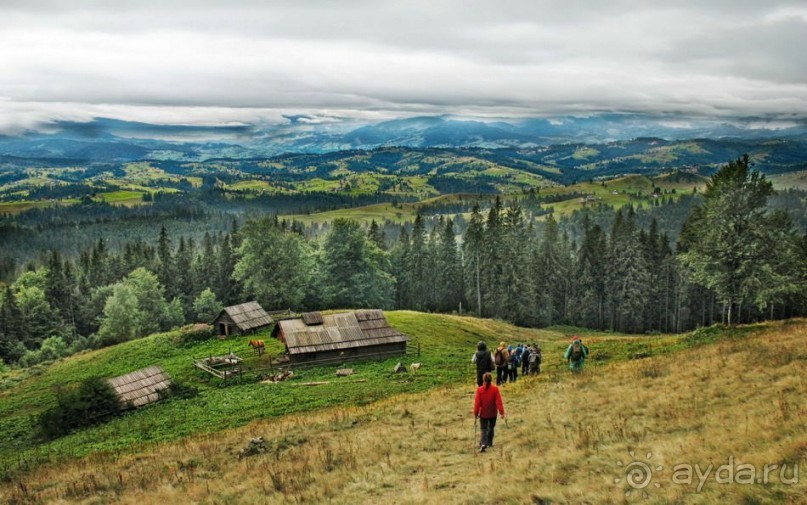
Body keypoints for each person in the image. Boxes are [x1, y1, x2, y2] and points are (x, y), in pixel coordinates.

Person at [473, 372, 505, 452]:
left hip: (483, 413)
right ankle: (489, 442)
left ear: (483, 380)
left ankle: (483, 443)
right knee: (491, 427)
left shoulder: (479, 390)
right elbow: (498, 401)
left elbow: (477, 403)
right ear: (491, 380)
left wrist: (476, 413)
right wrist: (501, 412)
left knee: (483, 428)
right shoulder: (495, 389)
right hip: (493, 413)